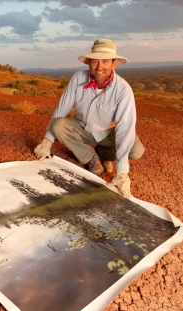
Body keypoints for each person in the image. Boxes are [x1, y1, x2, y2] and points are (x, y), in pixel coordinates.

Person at [34, 39, 145, 198]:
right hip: (81, 129)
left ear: (114, 64)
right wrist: (47, 141)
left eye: (105, 62)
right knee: (58, 125)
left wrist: (122, 172)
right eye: (95, 61)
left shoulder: (123, 90)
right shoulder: (78, 78)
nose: (99, 67)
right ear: (89, 63)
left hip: (107, 133)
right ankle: (89, 157)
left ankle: (104, 154)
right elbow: (61, 110)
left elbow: (125, 129)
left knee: (135, 150)